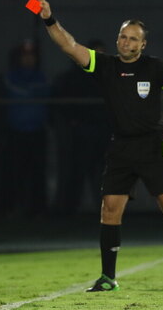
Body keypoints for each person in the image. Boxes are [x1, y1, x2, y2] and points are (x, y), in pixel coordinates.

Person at [33, 0, 163, 291]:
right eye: (123, 37)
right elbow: (70, 46)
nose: (127, 42)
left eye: (133, 38)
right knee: (109, 208)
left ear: (143, 44)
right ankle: (108, 278)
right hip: (121, 148)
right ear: (118, 40)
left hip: (153, 145)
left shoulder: (155, 67)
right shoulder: (106, 66)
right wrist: (48, 18)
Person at [0, 40, 50, 217]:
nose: (28, 59)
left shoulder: (41, 77)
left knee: (37, 174)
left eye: (31, 56)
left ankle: (37, 210)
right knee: (12, 173)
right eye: (25, 56)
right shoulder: (8, 78)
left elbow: (44, 92)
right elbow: (16, 93)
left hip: (37, 133)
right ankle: (8, 209)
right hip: (14, 134)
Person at [53, 40, 109, 214]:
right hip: (81, 133)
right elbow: (62, 104)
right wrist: (73, 122)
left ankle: (106, 211)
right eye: (95, 53)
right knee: (76, 172)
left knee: (104, 174)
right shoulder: (73, 78)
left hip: (104, 132)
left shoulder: (109, 77)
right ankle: (69, 211)